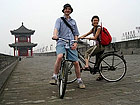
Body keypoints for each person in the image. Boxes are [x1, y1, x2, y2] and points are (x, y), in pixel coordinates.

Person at [49, 4, 85, 89]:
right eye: (66, 9)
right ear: (63, 10)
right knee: (60, 56)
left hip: (71, 43)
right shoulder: (59, 20)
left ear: (71, 11)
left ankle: (79, 80)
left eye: (69, 9)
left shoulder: (73, 21)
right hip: (61, 42)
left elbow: (76, 33)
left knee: (76, 62)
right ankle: (54, 76)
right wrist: (55, 35)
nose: (67, 10)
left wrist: (75, 43)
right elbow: (56, 29)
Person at [79, 15, 105, 81]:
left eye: (97, 20)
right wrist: (79, 37)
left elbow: (95, 37)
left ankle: (87, 66)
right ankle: (100, 75)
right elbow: (87, 34)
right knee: (98, 61)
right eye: (94, 20)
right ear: (92, 22)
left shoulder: (99, 28)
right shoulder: (93, 28)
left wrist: (86, 38)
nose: (96, 21)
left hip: (99, 46)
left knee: (87, 52)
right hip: (99, 46)